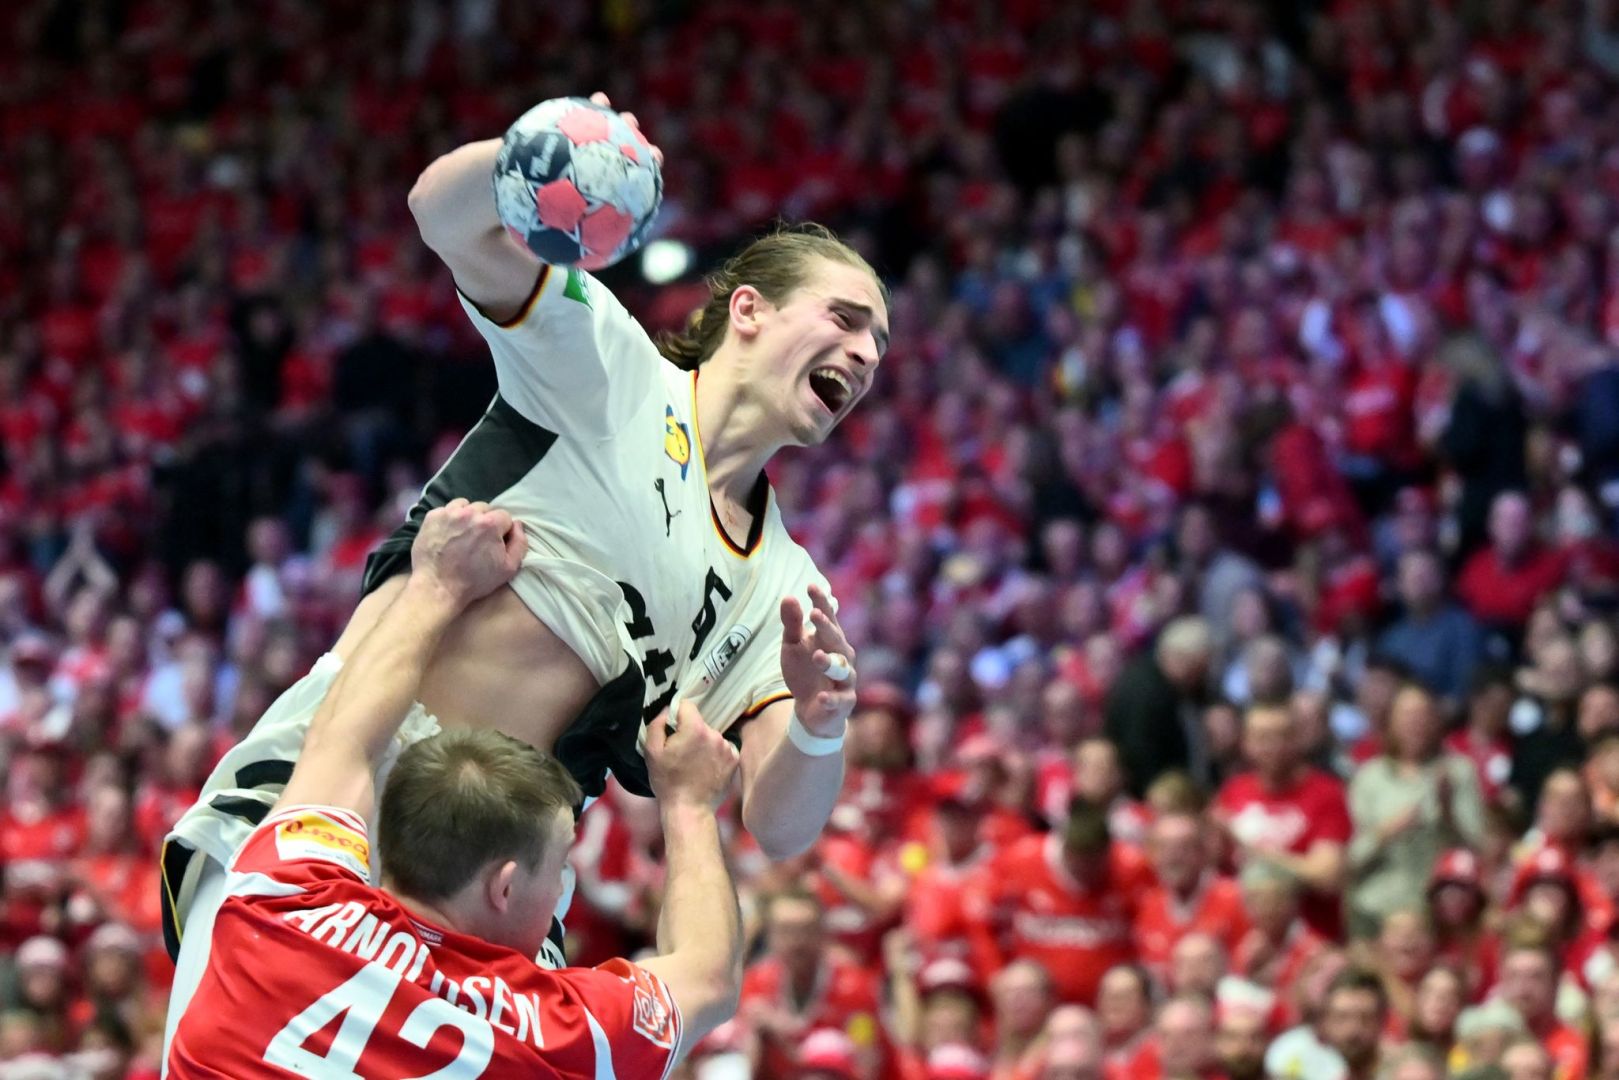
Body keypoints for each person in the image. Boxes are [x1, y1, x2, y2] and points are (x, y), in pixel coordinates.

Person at [162, 92, 879, 1026]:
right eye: (846, 319)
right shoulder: (609, 365)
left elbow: (781, 826)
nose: (865, 353)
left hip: (499, 892)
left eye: (877, 344)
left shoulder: (785, 582)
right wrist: (535, 152)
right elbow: (439, 213)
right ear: (748, 309)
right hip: (345, 792)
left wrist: (820, 720)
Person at [166, 502, 745, 1076]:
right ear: (504, 886)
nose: (558, 893)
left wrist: (434, 586)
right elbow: (707, 977)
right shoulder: (551, 1032)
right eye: (558, 868)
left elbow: (341, 740)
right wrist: (690, 805)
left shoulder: (285, 903)